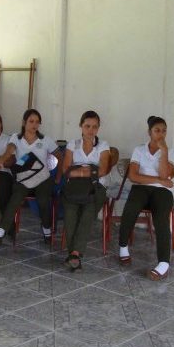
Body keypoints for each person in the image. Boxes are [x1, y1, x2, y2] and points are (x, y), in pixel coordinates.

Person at [118, 116, 174, 280]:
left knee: (161, 219)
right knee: (130, 209)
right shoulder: (139, 150)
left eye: (164, 131)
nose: (161, 134)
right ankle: (123, 248)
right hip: (141, 188)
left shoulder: (171, 151)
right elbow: (133, 176)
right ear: (149, 132)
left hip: (163, 192)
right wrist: (159, 180)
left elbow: (165, 174)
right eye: (157, 130)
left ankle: (163, 264)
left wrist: (164, 152)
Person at [0, 109, 63, 243]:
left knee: (43, 200)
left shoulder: (45, 140)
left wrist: (58, 176)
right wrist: (1, 161)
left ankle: (46, 228)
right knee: (16, 197)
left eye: (37, 122)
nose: (34, 125)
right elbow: (9, 150)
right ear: (24, 122)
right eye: (31, 121)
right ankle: (2, 229)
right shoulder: (16, 138)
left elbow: (60, 157)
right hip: (24, 178)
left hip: (42, 179)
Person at [62, 111, 110, 270]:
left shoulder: (103, 145)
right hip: (74, 187)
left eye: (95, 127)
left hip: (96, 187)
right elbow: (66, 170)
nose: (91, 130)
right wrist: (90, 170)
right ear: (81, 126)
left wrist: (78, 170)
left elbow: (102, 171)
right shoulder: (72, 144)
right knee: (70, 215)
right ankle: (75, 254)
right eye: (87, 126)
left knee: (88, 213)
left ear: (98, 128)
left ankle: (74, 253)